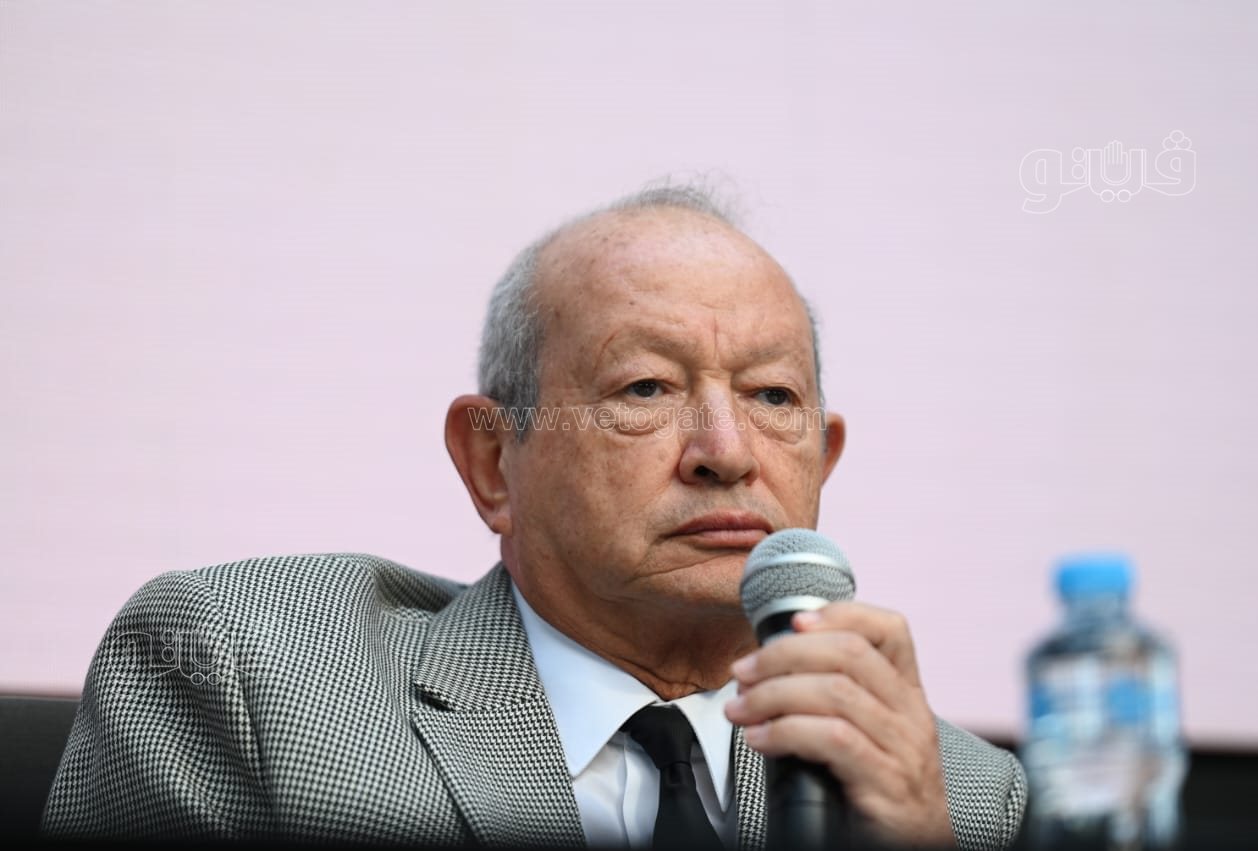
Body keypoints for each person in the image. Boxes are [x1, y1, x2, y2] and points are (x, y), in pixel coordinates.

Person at [43, 185, 1026, 849]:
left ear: (824, 458)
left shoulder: (963, 798)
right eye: (645, 387)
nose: (726, 451)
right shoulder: (252, 677)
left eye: (773, 396)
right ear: (492, 460)